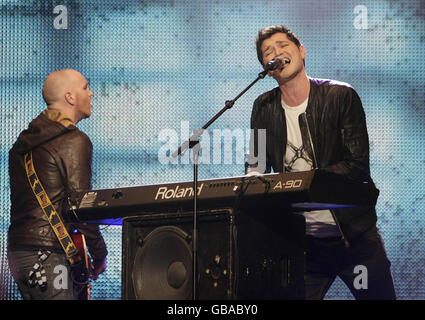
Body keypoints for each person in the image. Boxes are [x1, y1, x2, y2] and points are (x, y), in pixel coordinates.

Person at [245, 25, 396, 300]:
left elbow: (357, 164)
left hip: (355, 238)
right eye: (268, 52)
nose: (276, 52)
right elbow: (255, 164)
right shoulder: (262, 107)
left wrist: (304, 184)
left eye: (283, 46)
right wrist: (253, 181)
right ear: (268, 68)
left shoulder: (340, 96)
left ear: (301, 52)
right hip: (304, 243)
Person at [7, 69, 108, 300]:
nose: (91, 93)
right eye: (85, 87)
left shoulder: (21, 144)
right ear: (70, 97)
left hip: (19, 253)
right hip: (49, 253)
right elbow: (81, 206)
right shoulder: (74, 141)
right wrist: (99, 254)